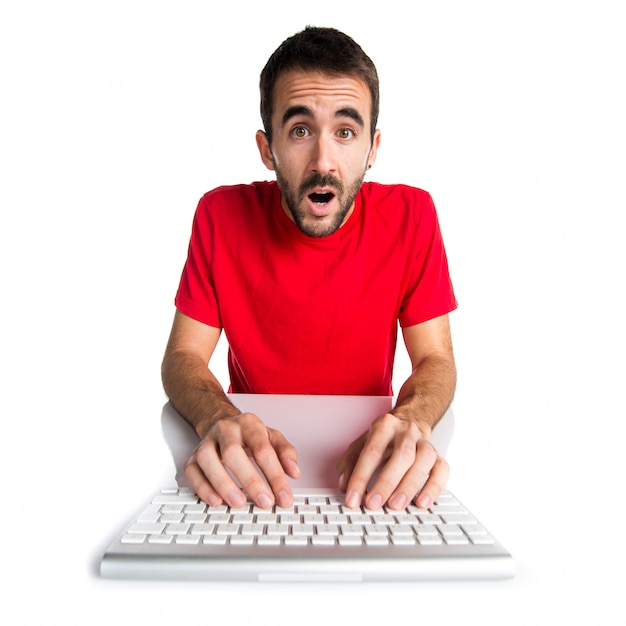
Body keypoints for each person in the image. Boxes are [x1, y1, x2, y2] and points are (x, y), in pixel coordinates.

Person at [161, 26, 457, 513]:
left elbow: (436, 362)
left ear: (372, 147)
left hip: (367, 472)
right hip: (252, 469)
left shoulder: (414, 215)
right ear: (266, 147)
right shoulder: (219, 215)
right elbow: (182, 357)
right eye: (300, 130)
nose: (324, 162)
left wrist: (413, 421)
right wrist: (217, 418)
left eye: (345, 132)